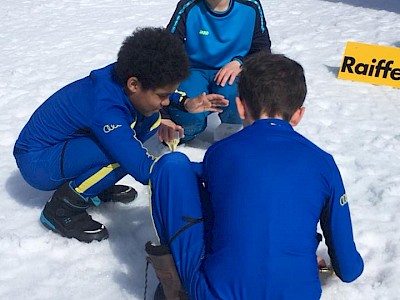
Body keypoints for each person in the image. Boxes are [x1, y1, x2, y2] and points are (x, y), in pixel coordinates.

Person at [146, 52, 364, 299]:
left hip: (217, 293)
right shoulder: (323, 162)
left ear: (240, 106)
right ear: (298, 114)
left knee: (172, 165)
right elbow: (349, 269)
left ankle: (176, 285)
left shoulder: (221, 152)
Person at [13, 27, 228, 243]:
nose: (165, 102)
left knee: (151, 120)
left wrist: (184, 102)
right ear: (133, 84)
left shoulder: (125, 76)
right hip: (38, 162)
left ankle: (94, 185)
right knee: (123, 155)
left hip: (61, 148)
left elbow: (159, 95)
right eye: (162, 96)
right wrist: (203, 174)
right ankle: (62, 209)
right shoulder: (106, 108)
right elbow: (142, 168)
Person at [159, 0, 272, 143]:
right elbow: (165, 53)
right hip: (193, 70)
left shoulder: (250, 6)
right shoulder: (189, 6)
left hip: (231, 71)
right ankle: (185, 134)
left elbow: (262, 49)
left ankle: (231, 137)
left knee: (234, 100)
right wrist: (164, 117)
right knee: (189, 117)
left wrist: (240, 62)